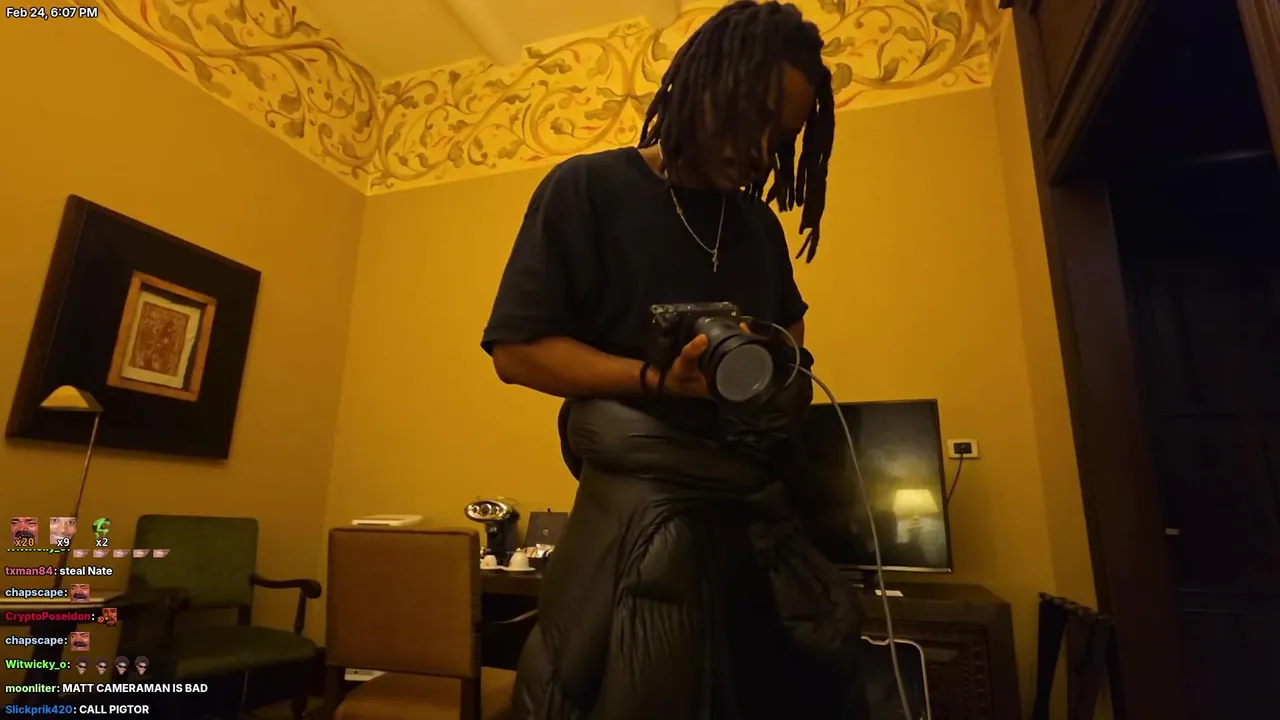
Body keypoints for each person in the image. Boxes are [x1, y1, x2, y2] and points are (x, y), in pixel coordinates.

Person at [482, 2, 865, 718]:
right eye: (753, 118)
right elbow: (517, 352)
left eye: (782, 137)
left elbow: (790, 336)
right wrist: (660, 381)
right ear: (703, 81)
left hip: (749, 522)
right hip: (639, 513)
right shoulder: (588, 188)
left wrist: (775, 372)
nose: (761, 151)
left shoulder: (759, 226)